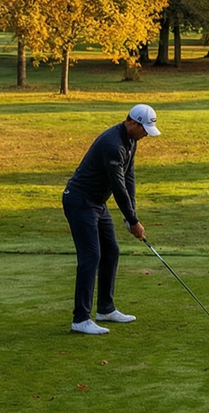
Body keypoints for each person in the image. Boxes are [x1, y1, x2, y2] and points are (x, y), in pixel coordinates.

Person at [62, 103, 160, 335]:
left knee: (111, 251)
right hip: (80, 202)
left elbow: (128, 177)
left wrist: (131, 215)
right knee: (91, 256)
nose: (146, 134)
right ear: (132, 122)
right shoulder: (113, 144)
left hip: (97, 203)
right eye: (144, 129)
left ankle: (105, 309)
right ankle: (80, 319)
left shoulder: (131, 141)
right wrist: (133, 221)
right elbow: (118, 187)